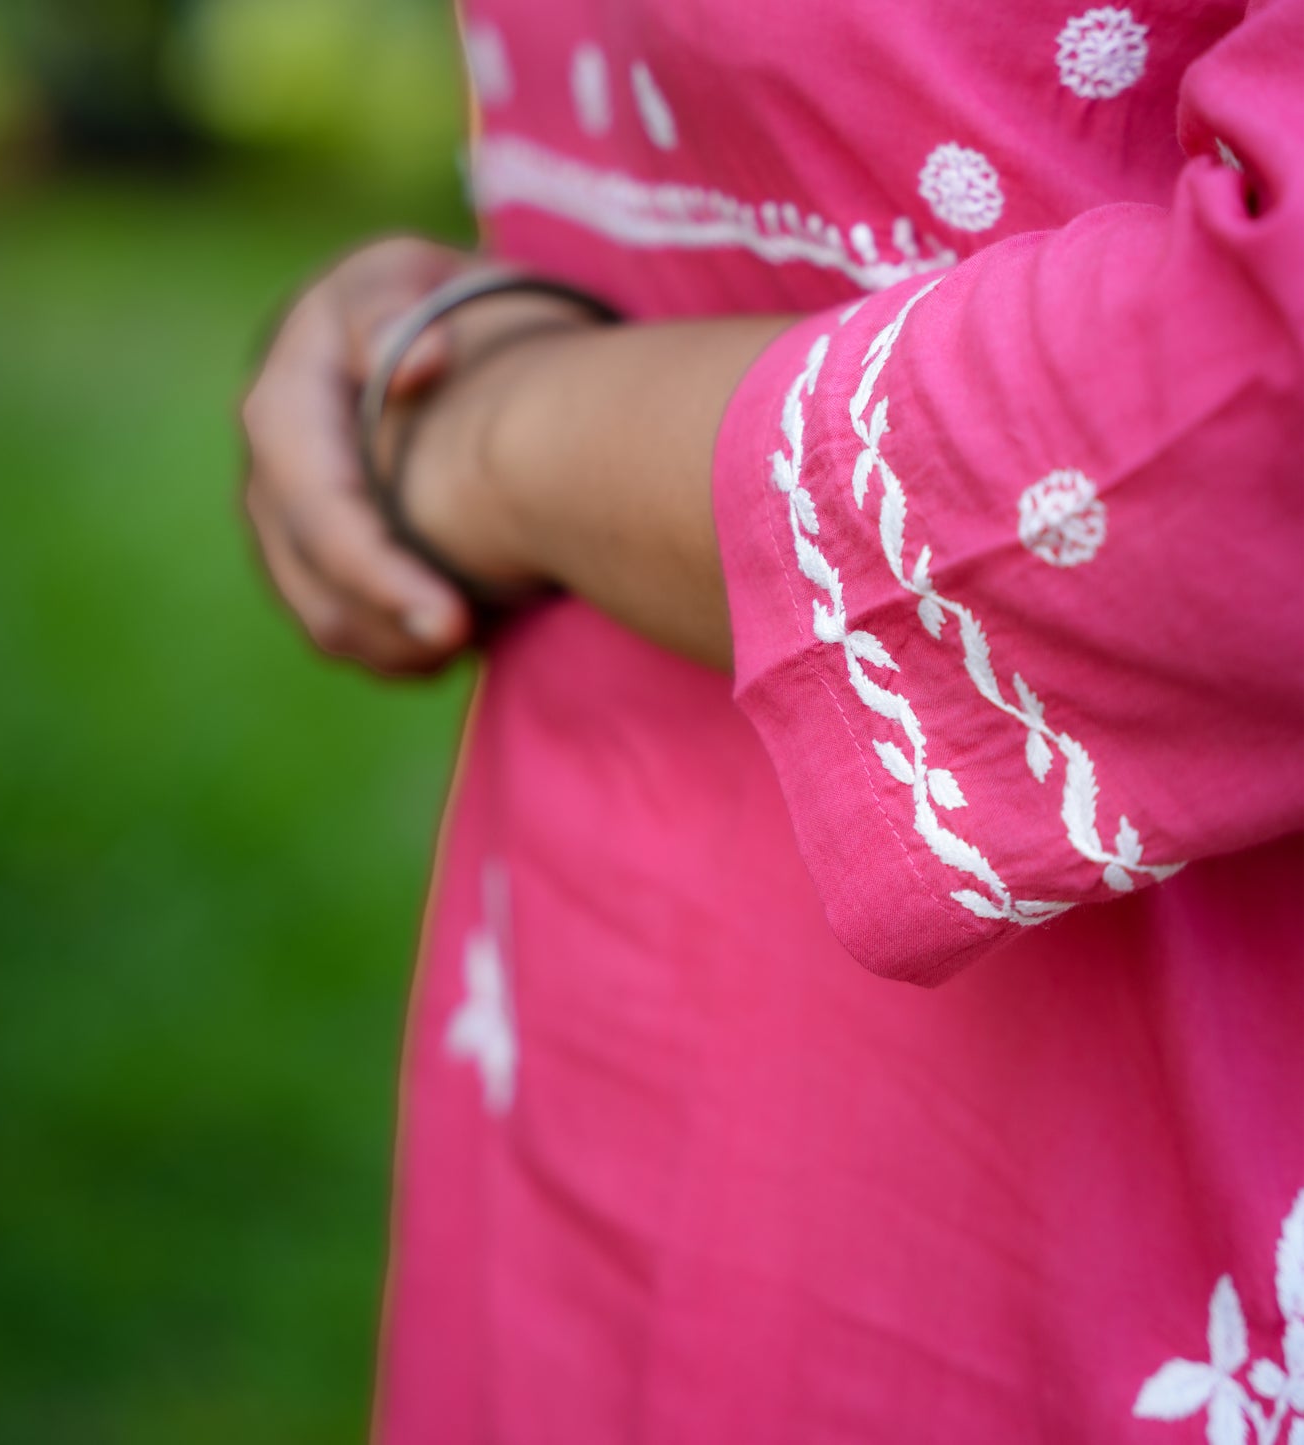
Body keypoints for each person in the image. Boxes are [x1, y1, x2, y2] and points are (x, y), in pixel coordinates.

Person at [240, 0, 1304, 1439]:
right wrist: (453, 324)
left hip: (1144, 1186)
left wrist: (502, 441)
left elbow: (1257, 429)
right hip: (598, 1024)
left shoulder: (502, 453)